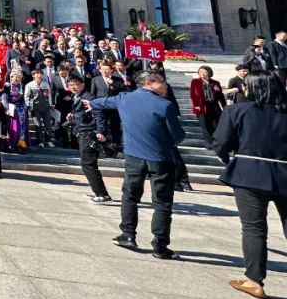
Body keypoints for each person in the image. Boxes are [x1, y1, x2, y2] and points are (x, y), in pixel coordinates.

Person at [90, 71, 185, 260]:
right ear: (149, 83)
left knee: (130, 196)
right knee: (162, 203)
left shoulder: (125, 98)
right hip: (160, 158)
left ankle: (128, 235)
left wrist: (90, 103)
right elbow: (178, 136)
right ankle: (160, 245)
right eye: (162, 83)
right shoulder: (165, 105)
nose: (166, 86)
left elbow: (103, 102)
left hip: (134, 157)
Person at [212, 71, 287, 299]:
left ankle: (254, 280)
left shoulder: (237, 110)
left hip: (249, 174)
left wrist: (229, 158)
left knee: (254, 228)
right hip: (284, 173)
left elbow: (220, 143)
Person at [67, 75, 113, 203]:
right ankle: (98, 192)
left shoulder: (88, 97)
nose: (73, 87)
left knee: (88, 164)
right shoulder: (76, 97)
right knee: (87, 164)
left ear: (82, 84)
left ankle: (102, 195)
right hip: (82, 132)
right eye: (70, 85)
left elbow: (99, 115)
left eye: (75, 84)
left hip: (89, 133)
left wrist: (100, 131)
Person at [189, 65, 226, 148]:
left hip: (213, 107)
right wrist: (196, 105)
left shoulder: (215, 83)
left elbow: (220, 96)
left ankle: (217, 142)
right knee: (205, 126)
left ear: (209, 73)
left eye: (205, 72)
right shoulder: (195, 82)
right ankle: (209, 143)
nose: (202, 73)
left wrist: (218, 91)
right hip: (201, 107)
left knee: (215, 125)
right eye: (200, 71)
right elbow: (193, 94)